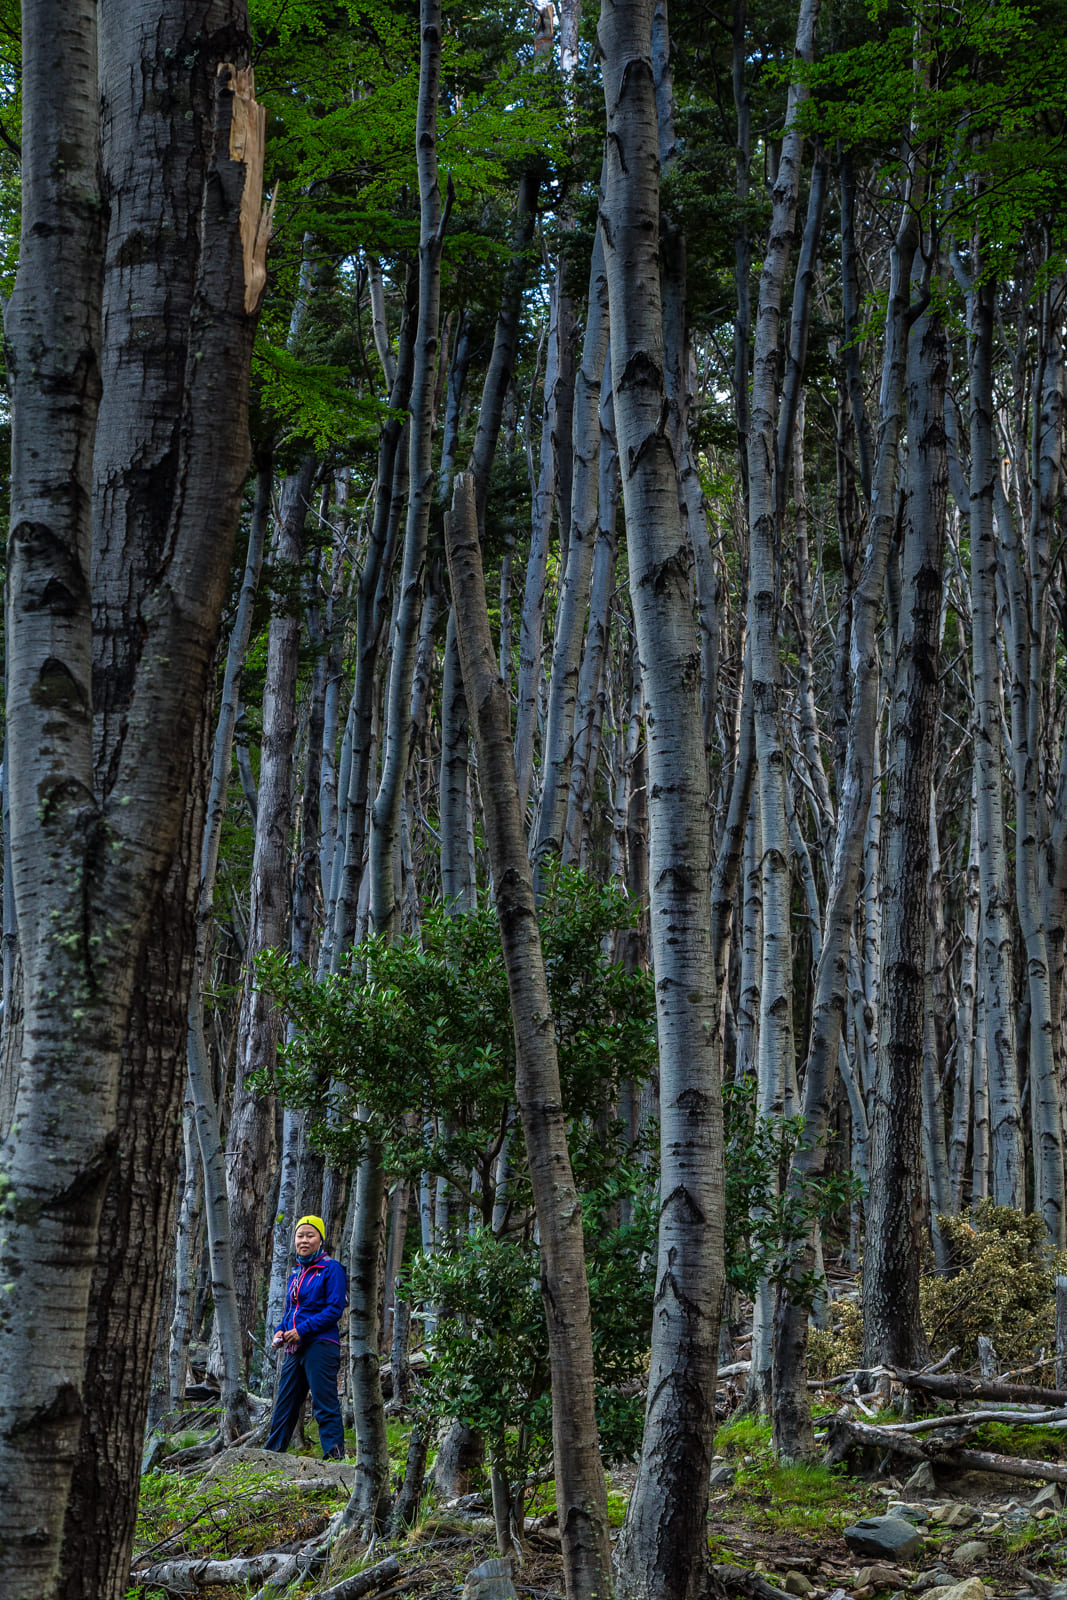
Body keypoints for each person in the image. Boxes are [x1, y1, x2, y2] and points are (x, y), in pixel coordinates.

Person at [265, 1215, 349, 1460]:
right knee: (285, 1406)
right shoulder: (297, 1272)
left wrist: (303, 1330)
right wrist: (280, 1331)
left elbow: (334, 1309)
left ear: (320, 1240)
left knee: (324, 1404)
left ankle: (334, 1459)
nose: (304, 1240)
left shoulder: (331, 1269)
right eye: (300, 1236)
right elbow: (292, 1311)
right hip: (295, 1348)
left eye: (310, 1235)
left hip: (321, 1345)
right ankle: (270, 1459)